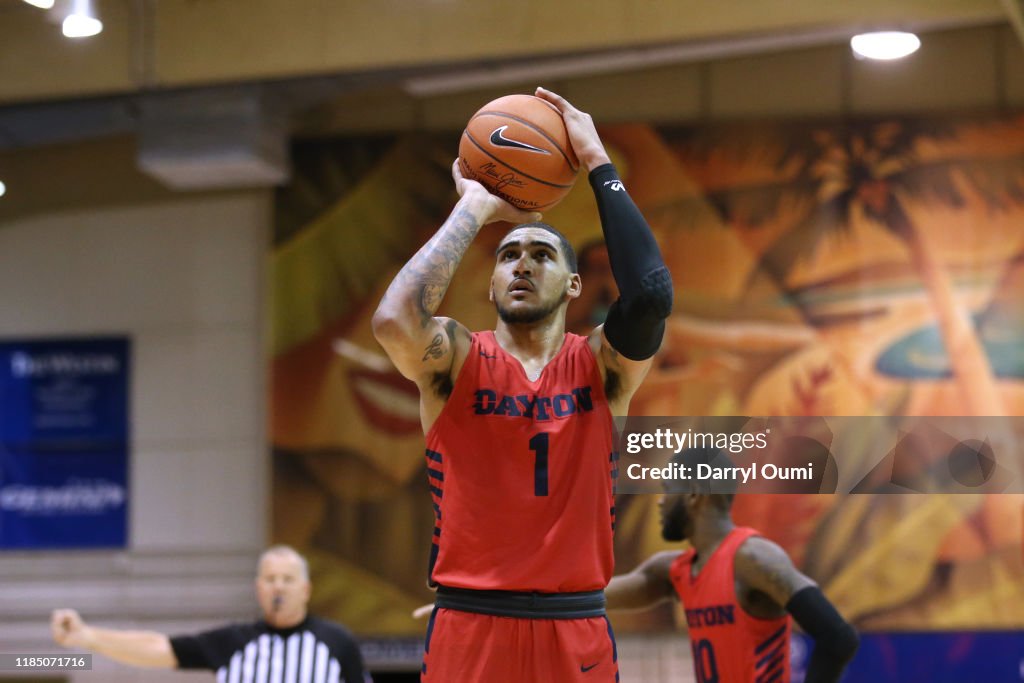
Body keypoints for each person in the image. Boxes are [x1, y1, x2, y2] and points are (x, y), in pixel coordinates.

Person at [371, 86, 672, 682]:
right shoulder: (455, 360)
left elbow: (651, 295)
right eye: (508, 255)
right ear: (490, 282)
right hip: (470, 623)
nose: (523, 264)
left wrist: (596, 162)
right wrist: (474, 208)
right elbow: (393, 321)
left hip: (574, 625)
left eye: (541, 254)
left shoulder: (602, 369)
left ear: (574, 285)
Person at [605, 447, 858, 683]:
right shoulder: (673, 571)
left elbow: (839, 638)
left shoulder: (753, 558)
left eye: (668, 489)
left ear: (693, 494)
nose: (660, 502)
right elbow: (595, 598)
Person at [51, 545, 370, 683]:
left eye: (287, 580)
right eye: (271, 580)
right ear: (258, 588)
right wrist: (87, 636)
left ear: (306, 589)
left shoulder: (336, 641)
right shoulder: (234, 642)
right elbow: (159, 648)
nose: (278, 588)